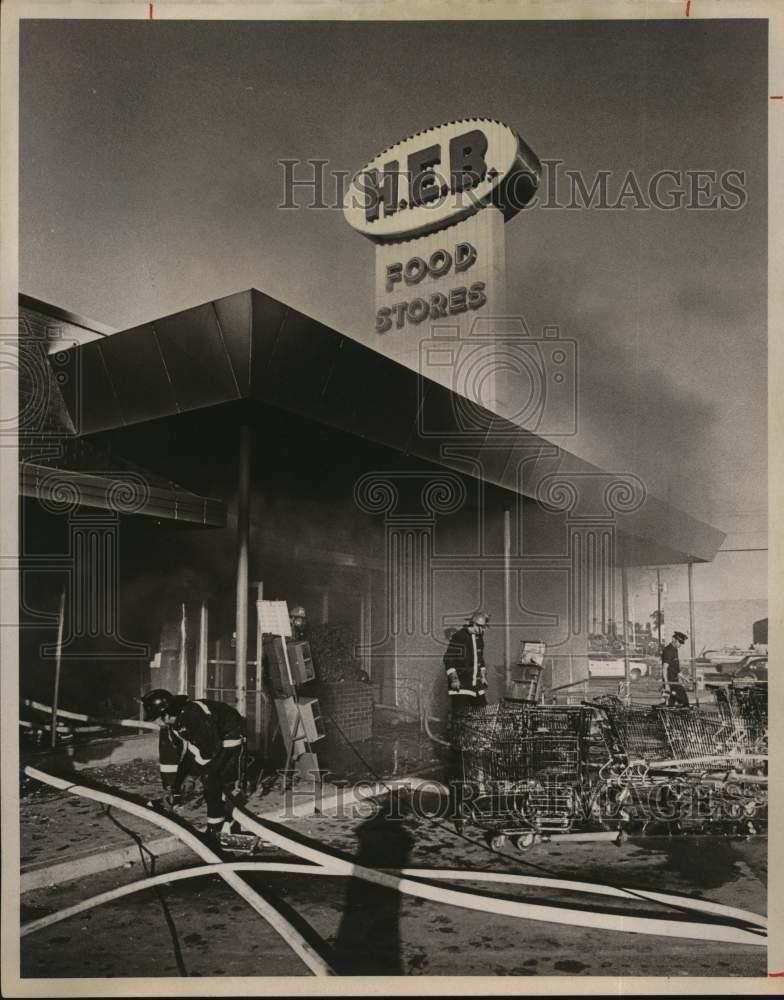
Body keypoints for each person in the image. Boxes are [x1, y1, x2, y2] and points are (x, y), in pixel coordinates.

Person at [142, 689, 247, 840]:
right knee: (187, 770)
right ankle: (175, 798)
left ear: (166, 714)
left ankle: (216, 827)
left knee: (212, 778)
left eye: (154, 718)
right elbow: (170, 756)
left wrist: (192, 775)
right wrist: (171, 786)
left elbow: (210, 751)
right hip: (207, 743)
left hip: (229, 740)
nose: (153, 722)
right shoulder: (170, 725)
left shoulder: (195, 715)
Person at [443, 612, 491, 832]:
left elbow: (480, 660)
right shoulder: (459, 638)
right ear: (470, 625)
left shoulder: (479, 639)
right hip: (461, 689)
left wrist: (483, 675)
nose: (480, 631)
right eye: (477, 627)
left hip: (475, 689)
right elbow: (448, 660)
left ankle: (477, 748)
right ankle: (463, 748)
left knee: (482, 717)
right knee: (463, 726)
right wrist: (453, 678)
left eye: (483, 628)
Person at [443, 611, 490, 708]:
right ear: (473, 624)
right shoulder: (460, 636)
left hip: (476, 685)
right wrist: (454, 680)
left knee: (482, 713)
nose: (484, 630)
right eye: (482, 627)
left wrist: (483, 677)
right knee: (461, 717)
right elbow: (448, 658)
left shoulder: (479, 638)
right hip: (462, 685)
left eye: (485, 627)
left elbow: (480, 659)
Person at [661, 631, 690, 707]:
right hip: (670, 682)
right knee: (684, 701)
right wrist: (666, 684)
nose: (680, 645)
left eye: (681, 643)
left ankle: (662, 717)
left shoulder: (675, 650)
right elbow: (664, 668)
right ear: (673, 639)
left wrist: (684, 677)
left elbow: (677, 670)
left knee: (670, 704)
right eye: (679, 642)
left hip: (674, 680)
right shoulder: (668, 650)